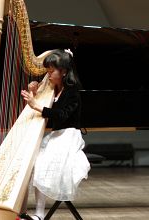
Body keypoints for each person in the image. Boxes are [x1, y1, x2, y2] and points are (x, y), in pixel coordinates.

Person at [20, 49, 90, 220]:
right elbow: (49, 117)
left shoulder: (72, 92)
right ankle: (32, 212)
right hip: (56, 136)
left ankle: (39, 214)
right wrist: (35, 92)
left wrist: (36, 105)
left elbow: (61, 115)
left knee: (40, 163)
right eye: (48, 71)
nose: (48, 75)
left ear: (64, 71)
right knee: (32, 161)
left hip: (68, 137)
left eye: (52, 71)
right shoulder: (53, 89)